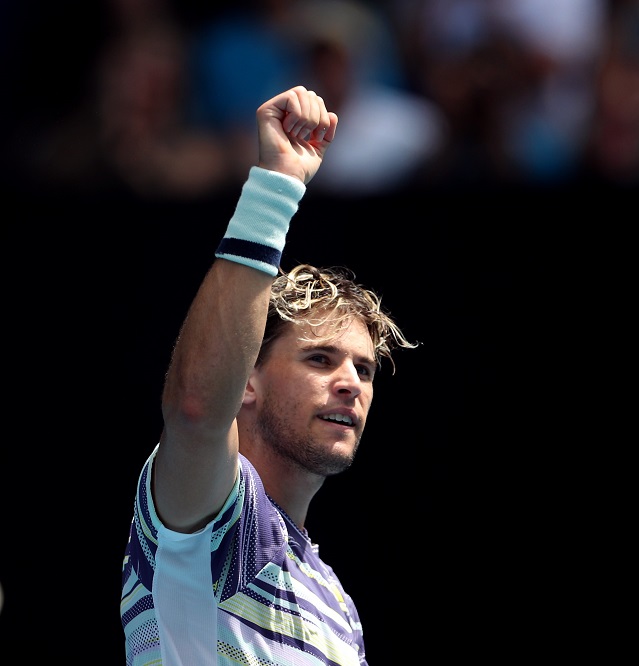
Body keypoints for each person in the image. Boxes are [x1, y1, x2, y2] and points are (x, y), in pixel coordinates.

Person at [120, 85, 418, 666]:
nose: (351, 382)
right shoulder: (219, 530)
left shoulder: (338, 604)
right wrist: (276, 185)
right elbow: (198, 410)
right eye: (319, 358)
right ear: (247, 383)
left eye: (363, 368)